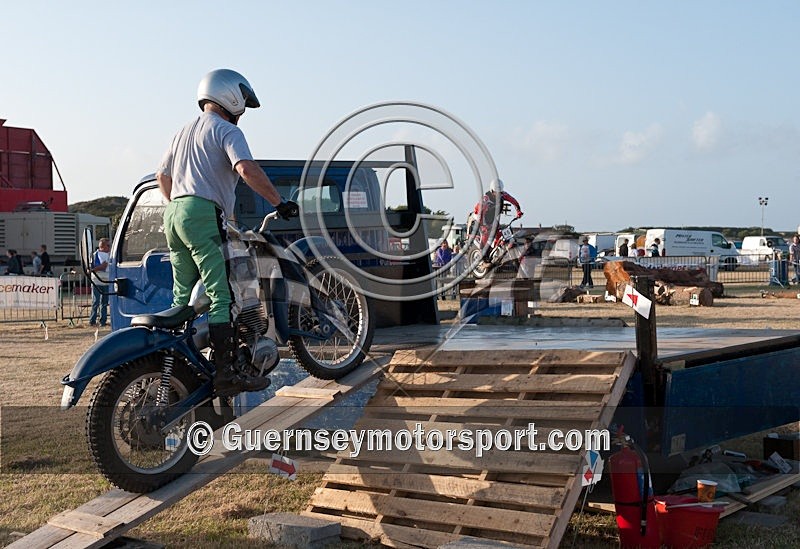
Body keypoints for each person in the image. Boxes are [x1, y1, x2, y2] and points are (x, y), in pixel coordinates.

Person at [156, 68, 297, 396]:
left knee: (182, 298)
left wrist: (181, 205)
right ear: (231, 97)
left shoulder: (182, 132)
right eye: (242, 103)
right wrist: (279, 202)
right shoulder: (226, 130)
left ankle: (175, 368)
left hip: (173, 214)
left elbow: (162, 176)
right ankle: (226, 374)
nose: (243, 111)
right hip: (201, 213)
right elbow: (246, 168)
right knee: (223, 296)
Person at [473, 178, 522, 261]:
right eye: (497, 192)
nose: (499, 194)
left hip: (492, 218)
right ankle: (482, 256)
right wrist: (482, 223)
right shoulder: (486, 199)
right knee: (486, 233)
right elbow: (477, 210)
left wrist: (518, 211)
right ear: (492, 191)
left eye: (500, 192)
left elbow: (513, 201)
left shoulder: (503, 195)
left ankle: (495, 250)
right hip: (481, 218)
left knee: (499, 233)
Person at [89, 238, 110, 327]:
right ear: (102, 246)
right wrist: (101, 267)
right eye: (108, 245)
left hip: (107, 281)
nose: (109, 247)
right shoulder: (95, 255)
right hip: (97, 281)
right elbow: (90, 269)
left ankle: (103, 321)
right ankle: (92, 320)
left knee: (104, 302)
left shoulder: (110, 255)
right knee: (96, 301)